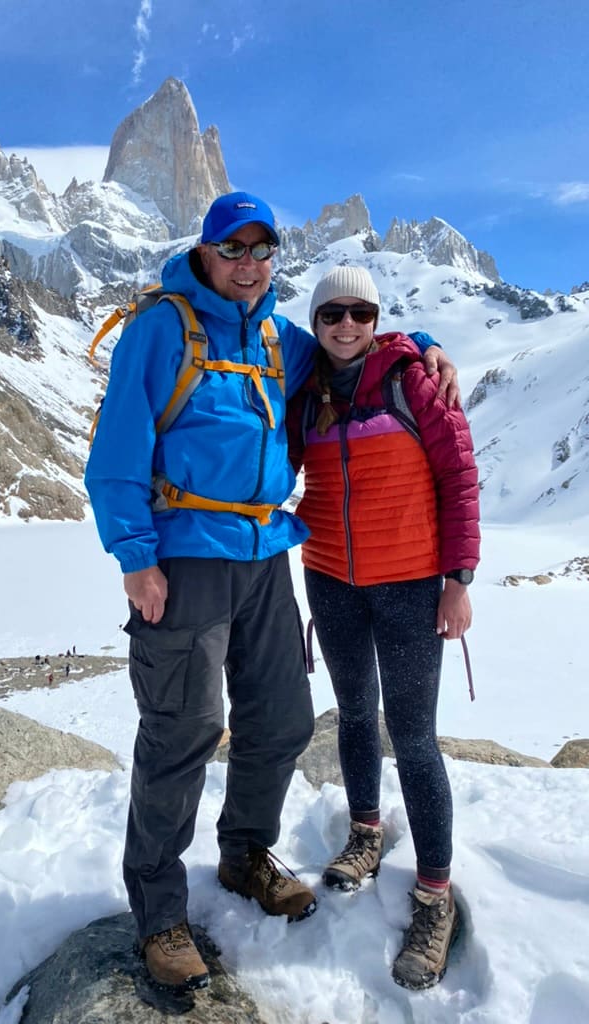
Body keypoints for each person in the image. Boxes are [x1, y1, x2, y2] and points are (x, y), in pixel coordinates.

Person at [85, 192, 458, 992]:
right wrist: (134, 556)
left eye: (262, 250)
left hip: (262, 555)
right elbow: (115, 451)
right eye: (233, 248)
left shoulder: (277, 339)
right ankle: (158, 911)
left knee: (284, 717)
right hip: (182, 558)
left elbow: (355, 351)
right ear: (205, 253)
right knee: (183, 728)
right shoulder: (160, 328)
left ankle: (244, 851)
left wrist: (420, 344)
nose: (248, 263)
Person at [288, 265, 480, 991]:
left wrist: (457, 581)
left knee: (416, 735)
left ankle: (436, 895)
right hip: (331, 579)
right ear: (316, 322)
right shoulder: (307, 394)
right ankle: (365, 832)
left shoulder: (414, 380)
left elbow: (460, 476)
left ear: (377, 318)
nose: (345, 325)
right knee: (354, 716)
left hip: (408, 585)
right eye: (331, 313)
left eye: (359, 312)